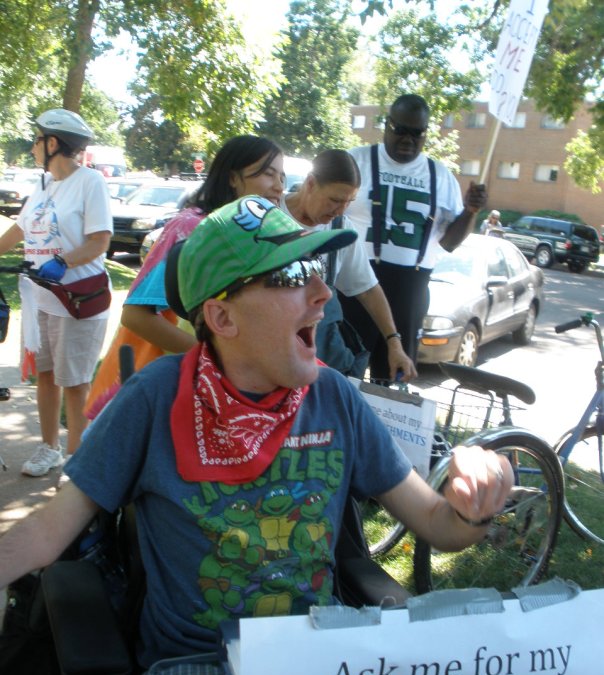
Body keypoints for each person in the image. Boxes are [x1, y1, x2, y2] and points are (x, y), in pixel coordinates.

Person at [0, 195, 513, 669]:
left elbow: (438, 524)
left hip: (318, 663)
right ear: (222, 316)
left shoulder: (336, 400)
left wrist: (474, 508)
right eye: (292, 275)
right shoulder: (155, 400)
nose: (323, 293)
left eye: (317, 269)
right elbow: (48, 530)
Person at [84, 134, 285, 418]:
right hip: (157, 396)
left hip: (211, 397)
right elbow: (135, 315)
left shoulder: (253, 236)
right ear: (232, 178)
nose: (279, 187)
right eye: (268, 174)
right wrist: (217, 361)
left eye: (282, 177)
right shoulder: (192, 228)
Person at [341, 93, 488, 376]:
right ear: (386, 125)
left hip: (410, 285)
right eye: (401, 130)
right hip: (354, 280)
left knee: (392, 377)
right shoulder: (356, 161)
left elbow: (449, 243)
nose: (408, 139)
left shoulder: (440, 176)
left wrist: (471, 212)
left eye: (417, 133)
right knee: (345, 370)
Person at [0, 109, 112, 476]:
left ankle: (77, 462)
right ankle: (50, 448)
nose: (32, 147)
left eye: (36, 140)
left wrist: (63, 261)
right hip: (41, 299)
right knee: (45, 375)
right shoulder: (43, 185)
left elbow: (99, 241)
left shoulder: (89, 182)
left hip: (77, 300)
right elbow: (19, 230)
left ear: (52, 144)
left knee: (75, 382)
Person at [282, 149, 416, 382]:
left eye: (349, 202)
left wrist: (394, 343)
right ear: (311, 183)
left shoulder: (341, 230)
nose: (340, 210)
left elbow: (368, 289)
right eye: (335, 200)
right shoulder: (266, 213)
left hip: (309, 363)